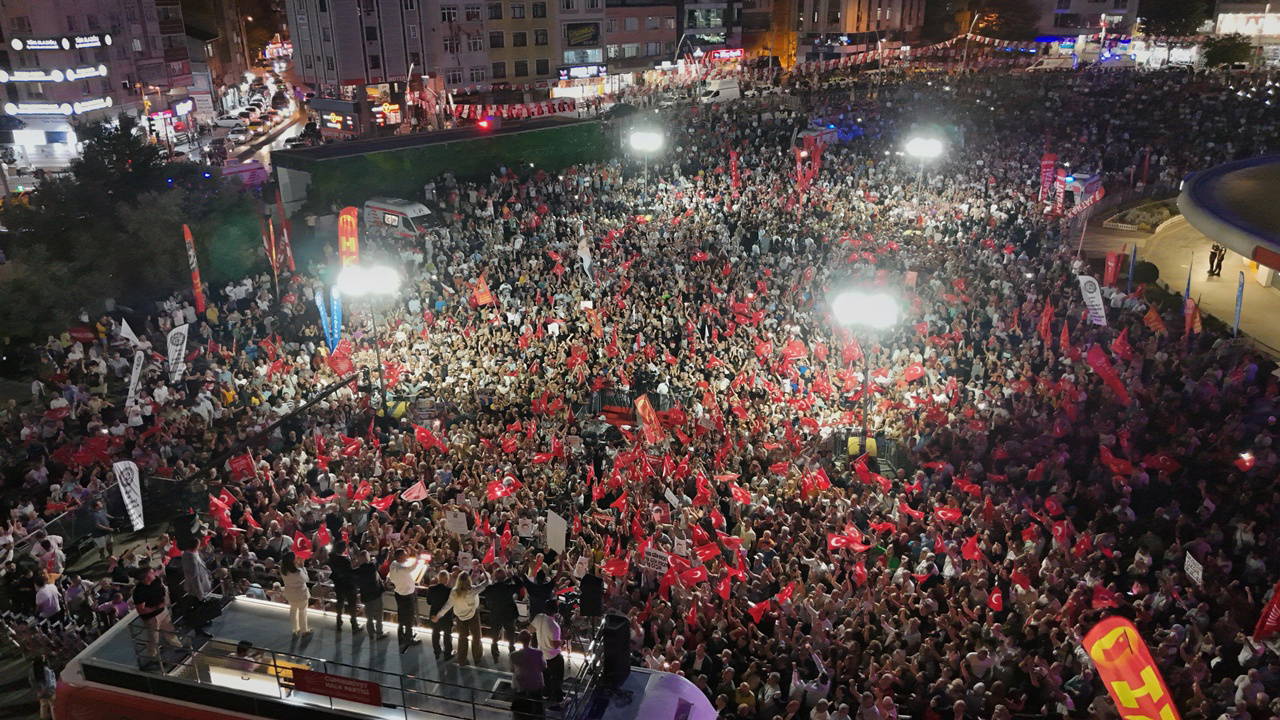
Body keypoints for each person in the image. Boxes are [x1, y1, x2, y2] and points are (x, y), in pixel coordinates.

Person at [132, 562, 182, 663]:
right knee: (153, 638)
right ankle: (152, 657)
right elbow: (141, 609)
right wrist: (156, 607)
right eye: (151, 572)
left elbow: (162, 590)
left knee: (170, 630)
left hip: (163, 611)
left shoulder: (157, 580)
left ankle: (178, 647)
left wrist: (164, 603)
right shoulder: (139, 592)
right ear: (147, 577)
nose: (154, 573)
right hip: (152, 617)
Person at [433, 571, 486, 665]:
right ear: (468, 580)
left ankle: (462, 659)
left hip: (460, 617)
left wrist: (438, 616)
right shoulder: (473, 589)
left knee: (462, 638)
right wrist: (483, 570)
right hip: (473, 615)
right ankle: (477, 658)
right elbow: (487, 582)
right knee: (476, 636)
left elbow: (447, 605)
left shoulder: (454, 591)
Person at [482, 567, 521, 661]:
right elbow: (520, 584)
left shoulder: (490, 588)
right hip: (509, 614)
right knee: (511, 634)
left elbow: (486, 599)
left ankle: (495, 653)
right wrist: (513, 576)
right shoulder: (508, 587)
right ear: (505, 577)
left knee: (494, 634)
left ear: (495, 577)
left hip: (496, 614)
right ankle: (512, 652)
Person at [529, 598, 563, 704]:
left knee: (546, 677)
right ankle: (557, 699)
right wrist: (563, 640)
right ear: (556, 611)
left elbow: (530, 630)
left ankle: (547, 695)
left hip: (541, 655)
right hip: (553, 657)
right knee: (557, 678)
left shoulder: (539, 617)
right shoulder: (555, 626)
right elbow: (555, 645)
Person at [510, 630, 546, 720]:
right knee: (538, 708)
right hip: (536, 684)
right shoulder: (538, 653)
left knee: (520, 713)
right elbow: (543, 667)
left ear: (519, 640)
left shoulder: (513, 655)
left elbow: (512, 670)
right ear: (530, 639)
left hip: (520, 686)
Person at [352, 549, 388, 639]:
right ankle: (379, 633)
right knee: (379, 615)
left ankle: (371, 634)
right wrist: (385, 551)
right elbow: (381, 559)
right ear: (366, 558)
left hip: (366, 596)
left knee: (369, 617)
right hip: (376, 595)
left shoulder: (357, 571)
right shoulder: (372, 566)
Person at [388, 548, 420, 646]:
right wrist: (417, 558)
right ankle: (409, 638)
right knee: (409, 618)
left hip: (398, 594)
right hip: (407, 596)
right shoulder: (402, 569)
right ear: (400, 556)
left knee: (401, 616)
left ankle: (401, 636)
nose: (407, 556)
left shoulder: (393, 564)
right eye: (405, 555)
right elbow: (412, 567)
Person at [329, 541, 360, 632]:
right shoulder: (345, 560)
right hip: (348, 585)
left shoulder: (333, 558)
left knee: (340, 603)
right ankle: (354, 624)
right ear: (344, 549)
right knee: (352, 605)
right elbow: (350, 571)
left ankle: (339, 621)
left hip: (338, 584)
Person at [425, 570, 455, 660]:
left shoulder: (431, 588)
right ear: (446, 579)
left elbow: (428, 602)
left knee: (435, 633)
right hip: (446, 616)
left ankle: (437, 651)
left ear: (438, 578)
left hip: (434, 615)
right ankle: (447, 654)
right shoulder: (449, 590)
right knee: (447, 635)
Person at [280, 552, 311, 637]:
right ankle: (304, 630)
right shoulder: (298, 572)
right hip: (301, 594)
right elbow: (307, 579)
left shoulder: (283, 570)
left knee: (293, 611)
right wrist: (302, 567)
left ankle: (295, 629)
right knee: (302, 612)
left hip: (290, 594)